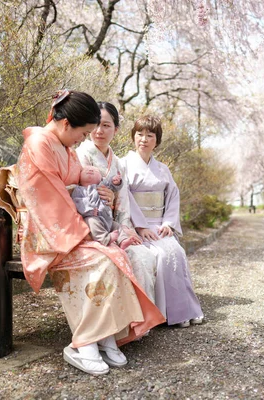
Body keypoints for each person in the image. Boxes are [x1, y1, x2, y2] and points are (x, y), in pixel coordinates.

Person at [15, 90, 164, 376]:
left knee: (116, 257)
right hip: (49, 233)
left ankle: (105, 334)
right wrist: (87, 229)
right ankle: (83, 343)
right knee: (103, 261)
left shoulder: (62, 145)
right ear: (67, 123)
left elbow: (74, 190)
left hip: (71, 225)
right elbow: (49, 201)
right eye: (83, 133)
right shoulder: (39, 145)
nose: (83, 139)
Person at [121, 115, 204, 328]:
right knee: (158, 255)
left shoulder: (162, 169)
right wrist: (140, 225)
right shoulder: (124, 165)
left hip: (160, 226)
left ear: (157, 141)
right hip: (137, 227)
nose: (144, 139)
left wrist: (168, 223)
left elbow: (173, 196)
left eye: (150, 135)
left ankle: (182, 310)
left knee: (176, 252)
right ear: (133, 136)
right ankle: (161, 313)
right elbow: (124, 197)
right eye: (140, 134)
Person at [76, 102, 158, 304]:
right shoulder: (81, 154)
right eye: (95, 124)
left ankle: (139, 320)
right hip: (89, 225)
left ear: (116, 129)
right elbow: (76, 192)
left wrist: (125, 229)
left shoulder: (119, 163)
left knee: (143, 256)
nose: (99, 131)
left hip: (113, 224)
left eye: (106, 125)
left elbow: (122, 201)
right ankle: (120, 321)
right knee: (117, 259)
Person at [71, 165, 137, 249]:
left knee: (116, 226)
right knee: (91, 222)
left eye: (95, 171)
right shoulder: (79, 190)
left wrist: (115, 181)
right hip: (93, 216)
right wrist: (90, 210)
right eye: (86, 170)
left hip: (107, 218)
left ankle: (123, 240)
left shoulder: (102, 185)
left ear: (101, 178)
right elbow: (78, 201)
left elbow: (112, 184)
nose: (91, 170)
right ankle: (105, 239)